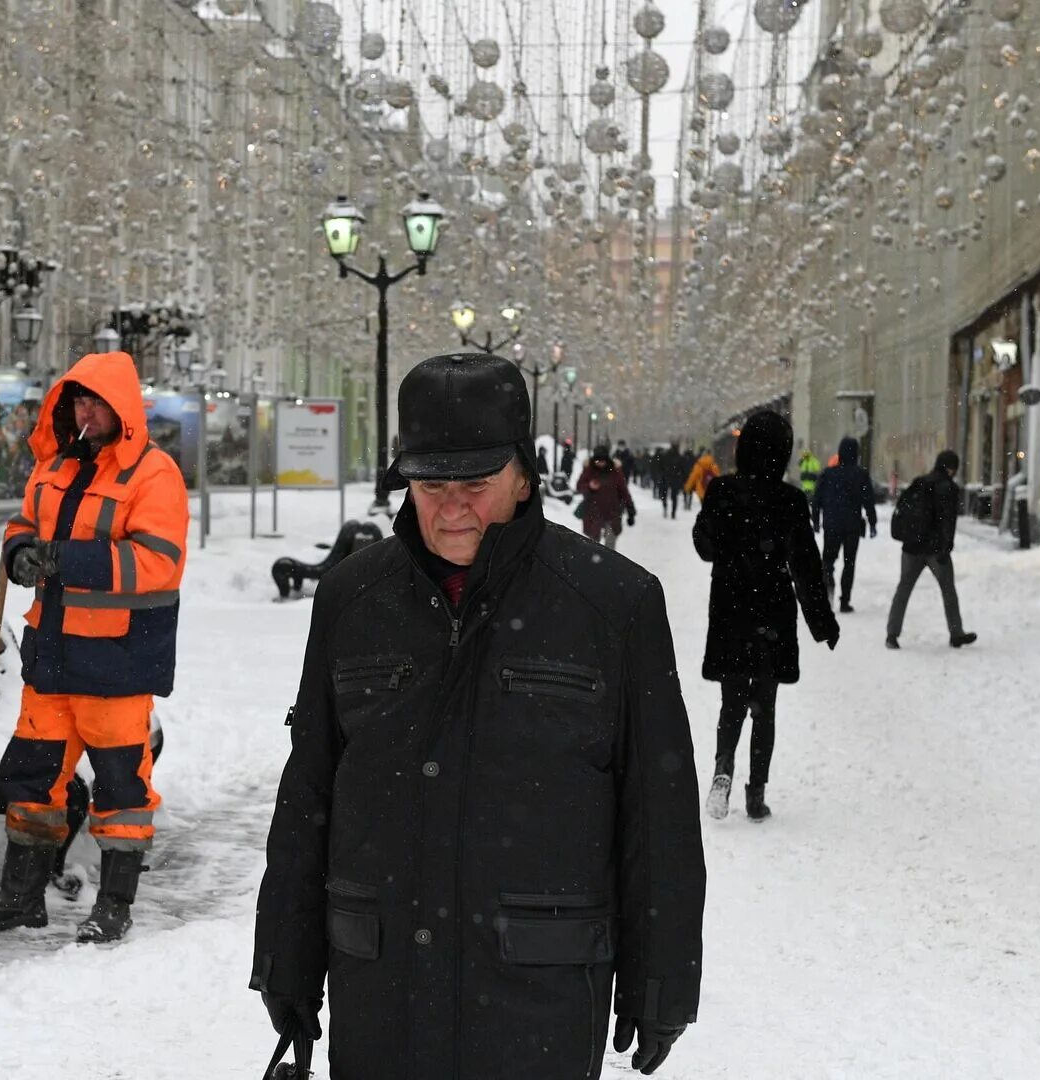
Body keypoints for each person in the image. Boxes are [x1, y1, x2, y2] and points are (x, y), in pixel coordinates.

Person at [253, 352, 705, 1080]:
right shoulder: (351, 601)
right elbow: (310, 789)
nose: (452, 505)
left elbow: (658, 811)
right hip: (383, 987)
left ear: (523, 475)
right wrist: (285, 954)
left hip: (540, 995)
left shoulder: (613, 605)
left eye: (476, 482)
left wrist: (665, 981)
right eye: (432, 484)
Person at [0, 349, 189, 942]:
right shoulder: (53, 465)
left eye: (96, 401)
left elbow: (158, 563)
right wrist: (18, 554)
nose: (85, 411)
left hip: (117, 662)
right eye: (77, 400)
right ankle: (20, 898)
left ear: (123, 410)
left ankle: (114, 905)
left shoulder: (153, 474)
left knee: (122, 789)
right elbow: (22, 523)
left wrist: (64, 559)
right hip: (53, 658)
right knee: (30, 779)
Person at [692, 412, 839, 822]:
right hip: (772, 613)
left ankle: (722, 770)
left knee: (731, 703)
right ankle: (756, 794)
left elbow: (704, 545)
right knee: (764, 708)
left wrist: (726, 537)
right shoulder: (790, 500)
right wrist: (822, 624)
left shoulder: (722, 491)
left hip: (730, 609)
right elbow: (807, 567)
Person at [886, 450, 977, 650]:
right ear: (950, 468)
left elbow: (904, 508)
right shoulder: (949, 488)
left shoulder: (919, 482)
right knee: (948, 591)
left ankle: (892, 634)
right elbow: (948, 522)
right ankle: (956, 633)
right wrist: (946, 547)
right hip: (935, 549)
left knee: (903, 589)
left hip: (911, 547)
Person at [810, 436, 879, 613]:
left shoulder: (828, 474)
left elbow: (816, 499)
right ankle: (845, 600)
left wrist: (816, 520)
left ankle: (828, 588)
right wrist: (872, 522)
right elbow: (868, 501)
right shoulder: (861, 475)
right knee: (849, 563)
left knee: (828, 561)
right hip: (852, 526)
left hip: (832, 524)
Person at [577, 443, 636, 550]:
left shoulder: (615, 471)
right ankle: (595, 563)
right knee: (593, 545)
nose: (600, 463)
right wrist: (589, 486)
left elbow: (624, 491)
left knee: (610, 544)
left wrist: (630, 509)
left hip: (612, 512)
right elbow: (579, 486)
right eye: (597, 460)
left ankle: (608, 564)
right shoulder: (589, 470)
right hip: (593, 512)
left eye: (602, 460)